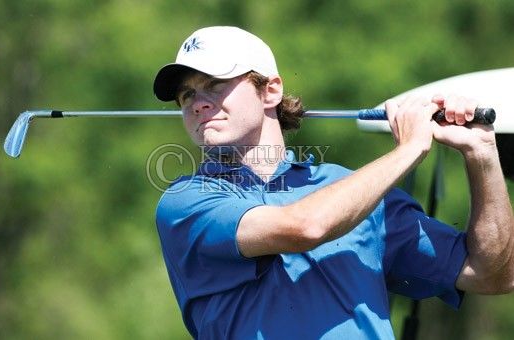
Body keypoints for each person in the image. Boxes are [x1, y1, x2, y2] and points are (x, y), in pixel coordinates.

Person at [152, 26, 514, 339]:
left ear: (271, 90)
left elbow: (492, 275)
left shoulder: (354, 190)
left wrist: (482, 156)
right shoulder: (186, 201)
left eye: (214, 85)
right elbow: (305, 227)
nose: (197, 103)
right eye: (187, 95)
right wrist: (410, 149)